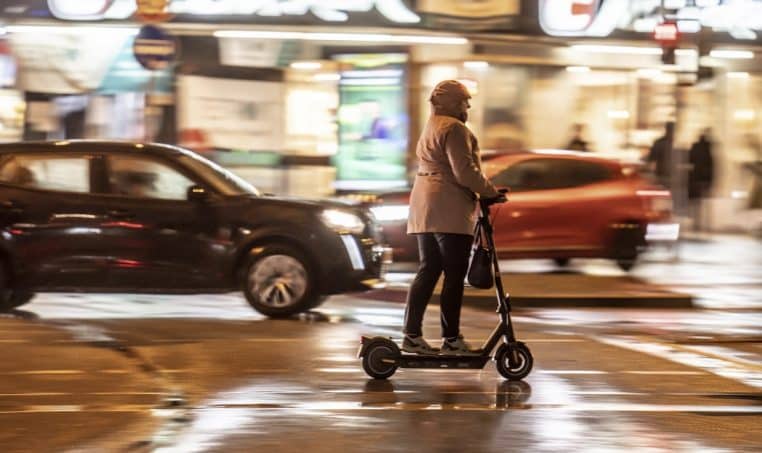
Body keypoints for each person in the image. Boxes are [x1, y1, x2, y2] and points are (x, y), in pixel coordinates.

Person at [403, 80, 504, 355]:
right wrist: (490, 192)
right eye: (463, 101)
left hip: (424, 203)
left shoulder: (431, 126)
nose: (468, 106)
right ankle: (451, 340)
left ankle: (411, 335)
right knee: (454, 274)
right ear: (450, 103)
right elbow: (464, 171)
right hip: (448, 206)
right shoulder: (455, 129)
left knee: (428, 269)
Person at [687, 129, 715, 232]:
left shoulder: (695, 147)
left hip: (696, 178)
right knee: (704, 203)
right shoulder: (710, 148)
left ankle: (696, 223)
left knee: (696, 203)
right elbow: (712, 166)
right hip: (705, 179)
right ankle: (705, 224)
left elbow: (690, 160)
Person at [647, 122, 675, 189]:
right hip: (669, 174)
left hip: (662, 173)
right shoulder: (678, 143)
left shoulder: (659, 142)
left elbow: (652, 158)